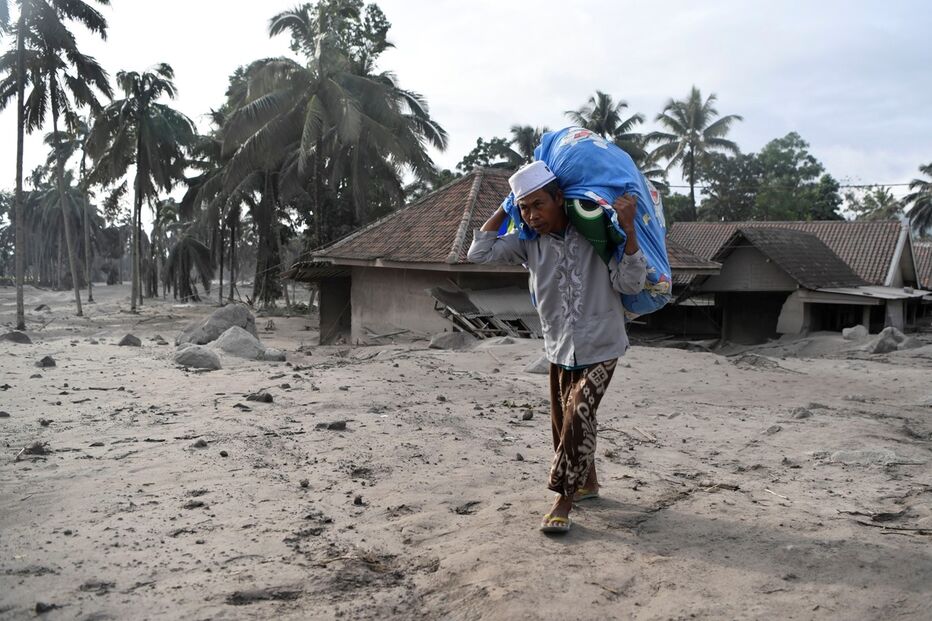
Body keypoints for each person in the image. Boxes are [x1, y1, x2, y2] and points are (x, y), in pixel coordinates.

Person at [466, 160, 647, 534]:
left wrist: (628, 230)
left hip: (603, 342)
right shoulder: (527, 244)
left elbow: (630, 284)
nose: (532, 215)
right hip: (559, 346)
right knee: (568, 421)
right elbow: (478, 253)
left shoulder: (597, 233)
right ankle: (589, 483)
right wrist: (506, 205)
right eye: (525, 208)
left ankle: (563, 498)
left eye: (538, 205)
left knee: (578, 411)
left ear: (560, 198)